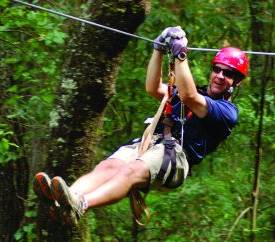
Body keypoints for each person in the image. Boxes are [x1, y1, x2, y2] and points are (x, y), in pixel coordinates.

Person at [33, 26, 249, 226]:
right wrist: (158, 49)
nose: (220, 76)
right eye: (217, 70)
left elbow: (189, 96)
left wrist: (181, 55)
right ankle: (65, 199)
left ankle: (81, 205)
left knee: (131, 170)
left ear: (237, 82)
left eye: (228, 74)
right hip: (150, 142)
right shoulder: (196, 91)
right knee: (108, 167)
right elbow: (153, 87)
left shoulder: (227, 112)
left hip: (176, 157)